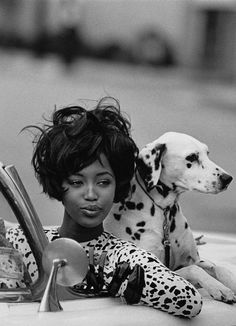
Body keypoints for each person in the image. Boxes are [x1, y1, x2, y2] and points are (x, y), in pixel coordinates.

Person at [6, 97, 202, 318]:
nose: (91, 195)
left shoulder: (126, 258)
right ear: (59, 183)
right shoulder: (21, 241)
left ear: (118, 184)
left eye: (103, 182)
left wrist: (119, 284)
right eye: (77, 182)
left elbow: (189, 301)